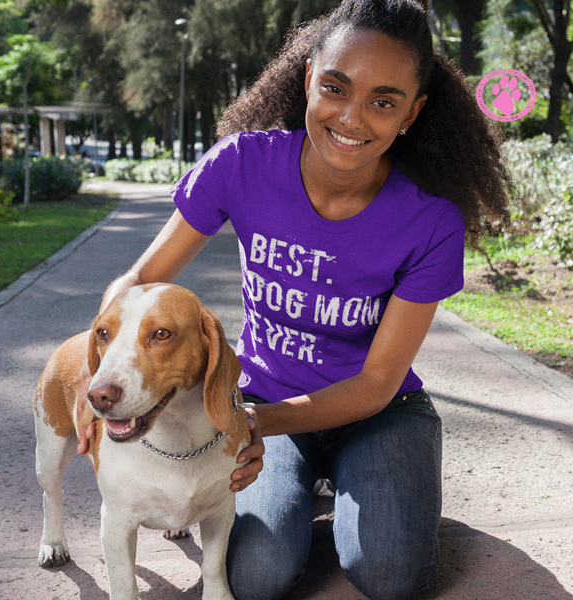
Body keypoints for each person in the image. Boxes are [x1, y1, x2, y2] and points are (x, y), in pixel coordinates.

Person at [77, 0, 516, 598]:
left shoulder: (430, 222)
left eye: (383, 101)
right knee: (255, 578)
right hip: (263, 397)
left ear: (412, 114)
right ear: (309, 77)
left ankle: (386, 502)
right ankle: (324, 499)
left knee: (390, 575)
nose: (352, 117)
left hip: (377, 413)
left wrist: (251, 423)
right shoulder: (242, 164)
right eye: (335, 87)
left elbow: (377, 383)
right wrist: (97, 370)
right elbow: (138, 282)